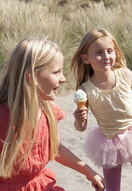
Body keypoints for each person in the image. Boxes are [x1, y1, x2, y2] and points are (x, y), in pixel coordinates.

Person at [0, 36, 105, 191]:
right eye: (56, 72)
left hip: (42, 185)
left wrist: (88, 172)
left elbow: (55, 148)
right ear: (32, 77)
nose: (63, 79)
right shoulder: (3, 117)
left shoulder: (48, 109)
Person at [71, 28, 132, 191]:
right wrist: (79, 119)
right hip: (108, 141)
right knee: (112, 189)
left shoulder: (125, 74)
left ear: (115, 52)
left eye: (109, 51)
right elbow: (81, 127)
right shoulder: (85, 90)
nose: (106, 56)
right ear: (85, 58)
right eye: (99, 52)